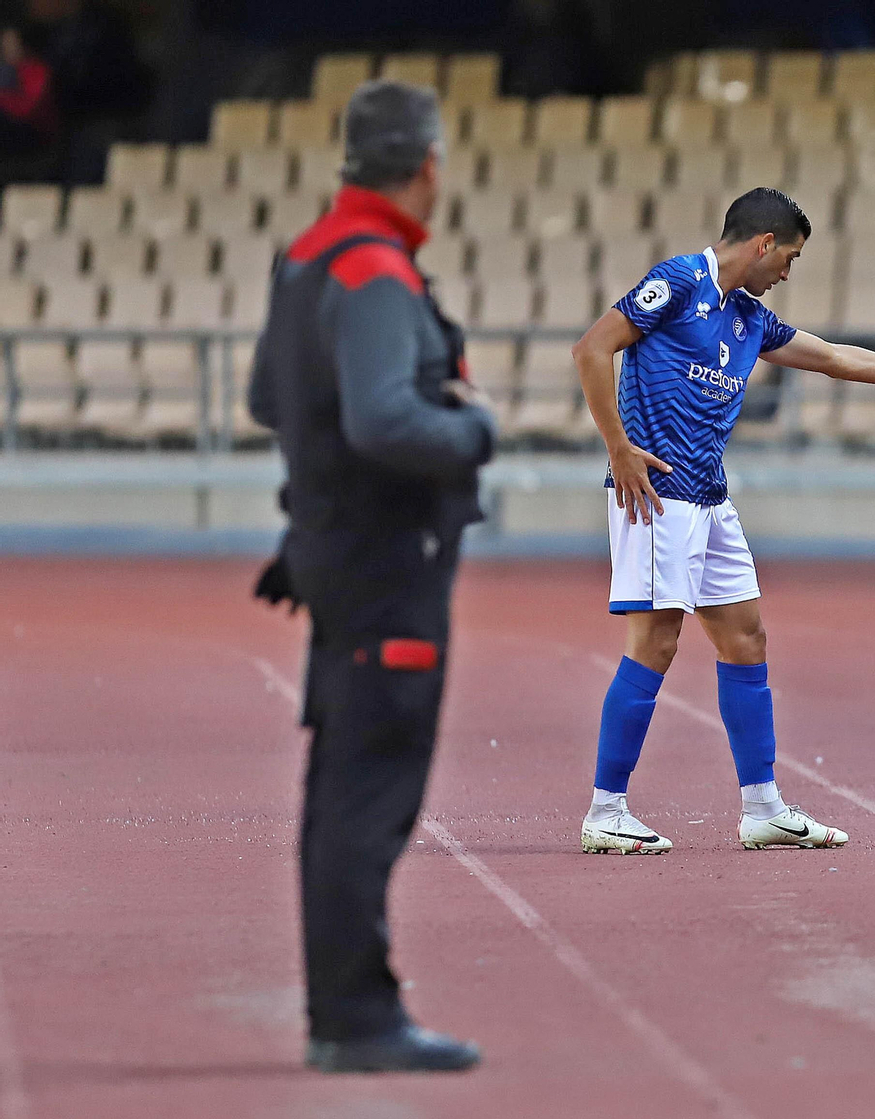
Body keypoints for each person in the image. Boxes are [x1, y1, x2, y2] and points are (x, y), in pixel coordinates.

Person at [572, 187, 875, 855]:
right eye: (791, 258)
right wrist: (618, 448)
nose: (787, 274)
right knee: (655, 644)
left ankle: (763, 808)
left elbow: (832, 357)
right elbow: (592, 350)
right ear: (764, 243)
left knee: (746, 638)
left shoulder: (749, 318)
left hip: (711, 498)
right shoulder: (678, 283)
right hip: (659, 495)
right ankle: (606, 809)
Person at [248, 79, 495, 1074]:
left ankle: (346, 1006)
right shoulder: (377, 271)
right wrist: (473, 428)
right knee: (369, 790)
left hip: (329, 553)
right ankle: (356, 1017)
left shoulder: (308, 256)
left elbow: (271, 394)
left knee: (339, 786)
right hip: (387, 567)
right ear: (428, 165)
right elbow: (386, 423)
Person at [0, 24, 56, 153]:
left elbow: (29, 109)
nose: (5, 48)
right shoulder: (7, 69)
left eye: (11, 43)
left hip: (35, 132)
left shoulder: (37, 69)